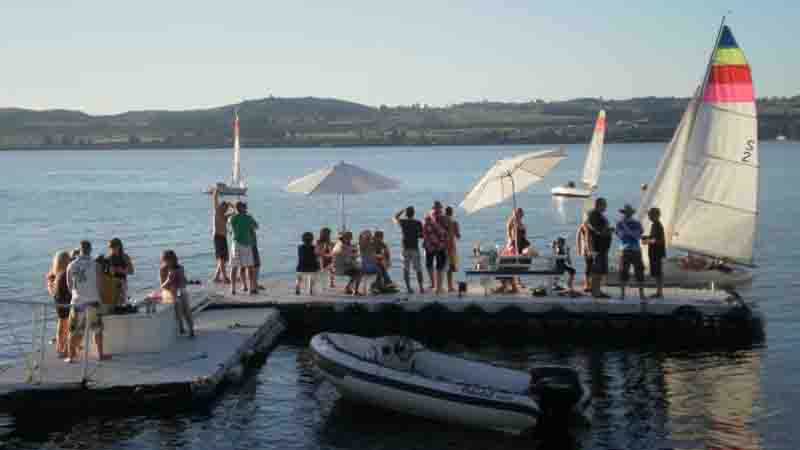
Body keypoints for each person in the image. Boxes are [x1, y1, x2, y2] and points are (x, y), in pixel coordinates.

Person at [65, 241, 109, 362]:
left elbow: (69, 286)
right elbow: (100, 285)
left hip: (77, 301)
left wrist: (76, 295)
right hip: (93, 300)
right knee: (97, 329)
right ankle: (100, 355)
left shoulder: (71, 265)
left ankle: (71, 356)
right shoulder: (96, 265)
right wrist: (99, 297)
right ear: (90, 250)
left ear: (80, 250)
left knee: (73, 330)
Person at [160, 250, 195, 337]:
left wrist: (182, 281)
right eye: (165, 260)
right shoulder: (163, 269)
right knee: (178, 308)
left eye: (167, 260)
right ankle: (181, 328)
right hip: (170, 292)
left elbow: (183, 282)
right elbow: (163, 286)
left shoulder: (179, 268)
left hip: (180, 290)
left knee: (186, 309)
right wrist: (169, 280)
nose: (166, 262)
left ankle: (190, 329)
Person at [615, 204, 646, 300]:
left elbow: (621, 236)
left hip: (625, 250)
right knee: (638, 272)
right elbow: (637, 235)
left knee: (624, 272)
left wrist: (626, 231)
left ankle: (623, 295)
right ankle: (640, 295)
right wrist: (631, 233)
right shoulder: (636, 223)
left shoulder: (620, 223)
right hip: (634, 250)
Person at [228, 201, 258, 295]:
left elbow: (229, 228)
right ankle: (251, 288)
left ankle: (233, 288)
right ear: (243, 208)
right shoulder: (248, 218)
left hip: (235, 243)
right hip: (246, 244)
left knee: (234, 266)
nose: (246, 209)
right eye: (245, 207)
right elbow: (256, 226)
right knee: (250, 267)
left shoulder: (232, 218)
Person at [393, 206, 425, 294]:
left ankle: (408, 288)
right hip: (414, 247)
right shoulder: (418, 222)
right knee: (418, 269)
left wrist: (402, 210)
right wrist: (417, 235)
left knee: (406, 269)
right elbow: (422, 235)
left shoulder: (403, 222)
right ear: (414, 213)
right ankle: (421, 288)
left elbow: (395, 217)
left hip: (405, 247)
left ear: (406, 213)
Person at [46, 250, 72, 357]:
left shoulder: (53, 274)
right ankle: (64, 348)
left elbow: (52, 291)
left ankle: (59, 347)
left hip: (58, 302)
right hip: (66, 301)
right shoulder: (65, 274)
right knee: (67, 326)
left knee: (61, 324)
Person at [586, 198, 613, 298]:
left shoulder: (598, 215)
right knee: (597, 270)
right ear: (599, 205)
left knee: (600, 270)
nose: (606, 207)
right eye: (604, 205)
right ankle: (595, 292)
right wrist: (607, 231)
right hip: (598, 247)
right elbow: (597, 230)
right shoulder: (594, 215)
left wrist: (608, 230)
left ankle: (597, 290)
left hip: (602, 247)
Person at [423, 201, 449, 295]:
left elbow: (425, 231)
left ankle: (434, 285)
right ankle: (438, 288)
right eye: (438, 208)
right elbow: (446, 233)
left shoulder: (428, 218)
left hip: (430, 245)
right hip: (439, 246)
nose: (438, 210)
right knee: (440, 267)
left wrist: (427, 243)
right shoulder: (444, 218)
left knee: (431, 265)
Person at [642, 207, 666, 298]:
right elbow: (654, 238)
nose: (649, 216)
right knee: (656, 272)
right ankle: (658, 292)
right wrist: (647, 238)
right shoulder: (654, 225)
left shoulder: (658, 225)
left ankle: (659, 292)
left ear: (655, 215)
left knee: (658, 273)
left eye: (650, 214)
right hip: (654, 252)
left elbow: (659, 240)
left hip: (657, 252)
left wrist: (647, 241)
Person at [211, 187, 232, 284]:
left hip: (223, 238)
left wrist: (231, 205)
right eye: (224, 207)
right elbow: (215, 200)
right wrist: (216, 192)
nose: (226, 209)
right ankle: (224, 277)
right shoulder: (217, 212)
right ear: (221, 207)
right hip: (218, 237)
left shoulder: (224, 216)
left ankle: (216, 277)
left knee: (223, 258)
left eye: (226, 208)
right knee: (221, 258)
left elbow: (235, 212)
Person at [108, 238, 134, 309]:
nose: (111, 249)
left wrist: (121, 271)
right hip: (112, 283)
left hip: (122, 282)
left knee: (122, 299)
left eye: (113, 247)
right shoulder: (108, 258)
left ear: (119, 246)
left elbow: (131, 271)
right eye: (110, 247)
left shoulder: (125, 257)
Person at [332, 231, 362, 295]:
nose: (350, 239)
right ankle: (355, 291)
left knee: (356, 271)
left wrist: (353, 255)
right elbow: (347, 261)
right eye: (349, 238)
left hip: (335, 267)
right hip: (341, 269)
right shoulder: (343, 247)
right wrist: (355, 257)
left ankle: (348, 288)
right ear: (345, 238)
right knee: (359, 272)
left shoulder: (338, 244)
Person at [444, 206, 461, 293]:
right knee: (450, 267)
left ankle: (438, 286)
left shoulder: (441, 222)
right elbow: (458, 236)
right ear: (452, 213)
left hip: (441, 247)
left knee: (441, 267)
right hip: (450, 247)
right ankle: (450, 287)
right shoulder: (454, 223)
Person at [576, 212, 593, 293]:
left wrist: (579, 249)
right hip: (590, 249)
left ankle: (588, 284)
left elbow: (578, 238)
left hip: (586, 249)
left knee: (588, 267)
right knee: (590, 267)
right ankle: (588, 285)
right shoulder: (587, 226)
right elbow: (586, 238)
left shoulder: (583, 225)